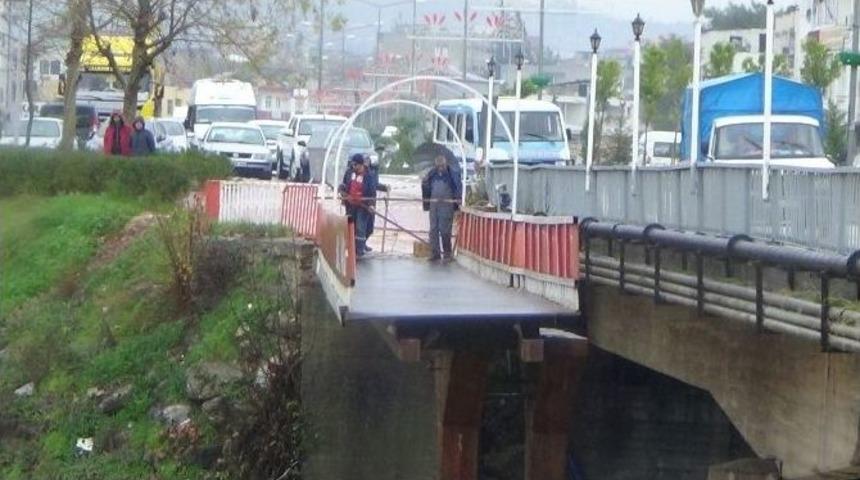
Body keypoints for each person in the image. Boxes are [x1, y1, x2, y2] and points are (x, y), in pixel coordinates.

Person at [422, 155, 462, 262]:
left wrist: (458, 200)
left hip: (446, 205)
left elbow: (457, 187)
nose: (440, 168)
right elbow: (426, 187)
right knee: (433, 229)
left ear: (446, 164)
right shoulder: (432, 173)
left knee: (445, 230)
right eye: (438, 166)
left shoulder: (452, 174)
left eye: (442, 166)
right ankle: (435, 253)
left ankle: (447, 253)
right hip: (434, 205)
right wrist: (424, 182)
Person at [339, 154, 376, 258]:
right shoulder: (350, 172)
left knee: (360, 228)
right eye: (352, 164)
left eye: (355, 165)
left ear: (360, 165)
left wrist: (371, 205)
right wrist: (342, 189)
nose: (353, 167)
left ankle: (359, 251)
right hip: (351, 205)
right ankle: (349, 248)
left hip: (363, 206)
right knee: (349, 226)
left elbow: (372, 192)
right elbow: (345, 184)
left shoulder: (369, 175)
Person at [364, 152, 389, 251]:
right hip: (364, 203)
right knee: (361, 226)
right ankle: (359, 246)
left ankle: (363, 243)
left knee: (369, 228)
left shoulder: (374, 172)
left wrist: (385, 188)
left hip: (372, 202)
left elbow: (375, 184)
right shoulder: (363, 172)